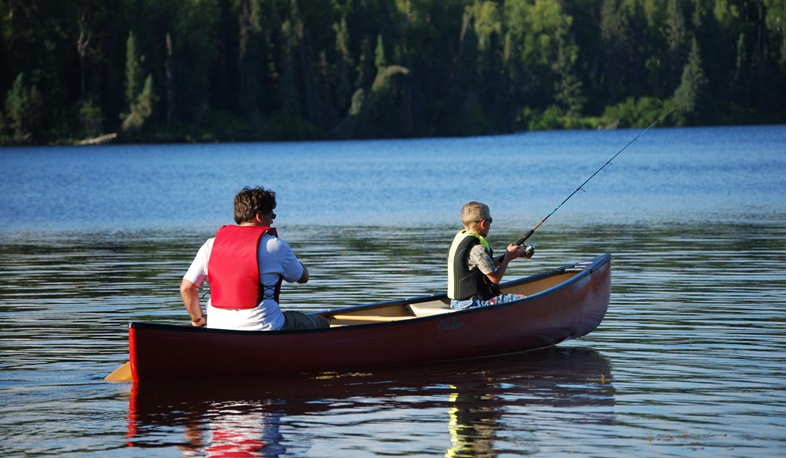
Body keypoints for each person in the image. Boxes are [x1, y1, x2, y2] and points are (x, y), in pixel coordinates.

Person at [180, 186, 329, 331]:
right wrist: (296, 263)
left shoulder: (210, 245)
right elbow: (303, 277)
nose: (272, 221)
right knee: (323, 323)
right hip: (264, 327)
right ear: (259, 216)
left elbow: (186, 288)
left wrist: (198, 319)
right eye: (272, 215)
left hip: (218, 328)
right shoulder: (275, 246)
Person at [447, 201, 533, 310]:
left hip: (456, 303)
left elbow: (486, 263)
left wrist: (514, 255)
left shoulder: (461, 240)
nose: (490, 224)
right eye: (490, 220)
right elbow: (495, 279)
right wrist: (507, 257)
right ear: (483, 224)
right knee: (523, 299)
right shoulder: (478, 249)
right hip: (473, 304)